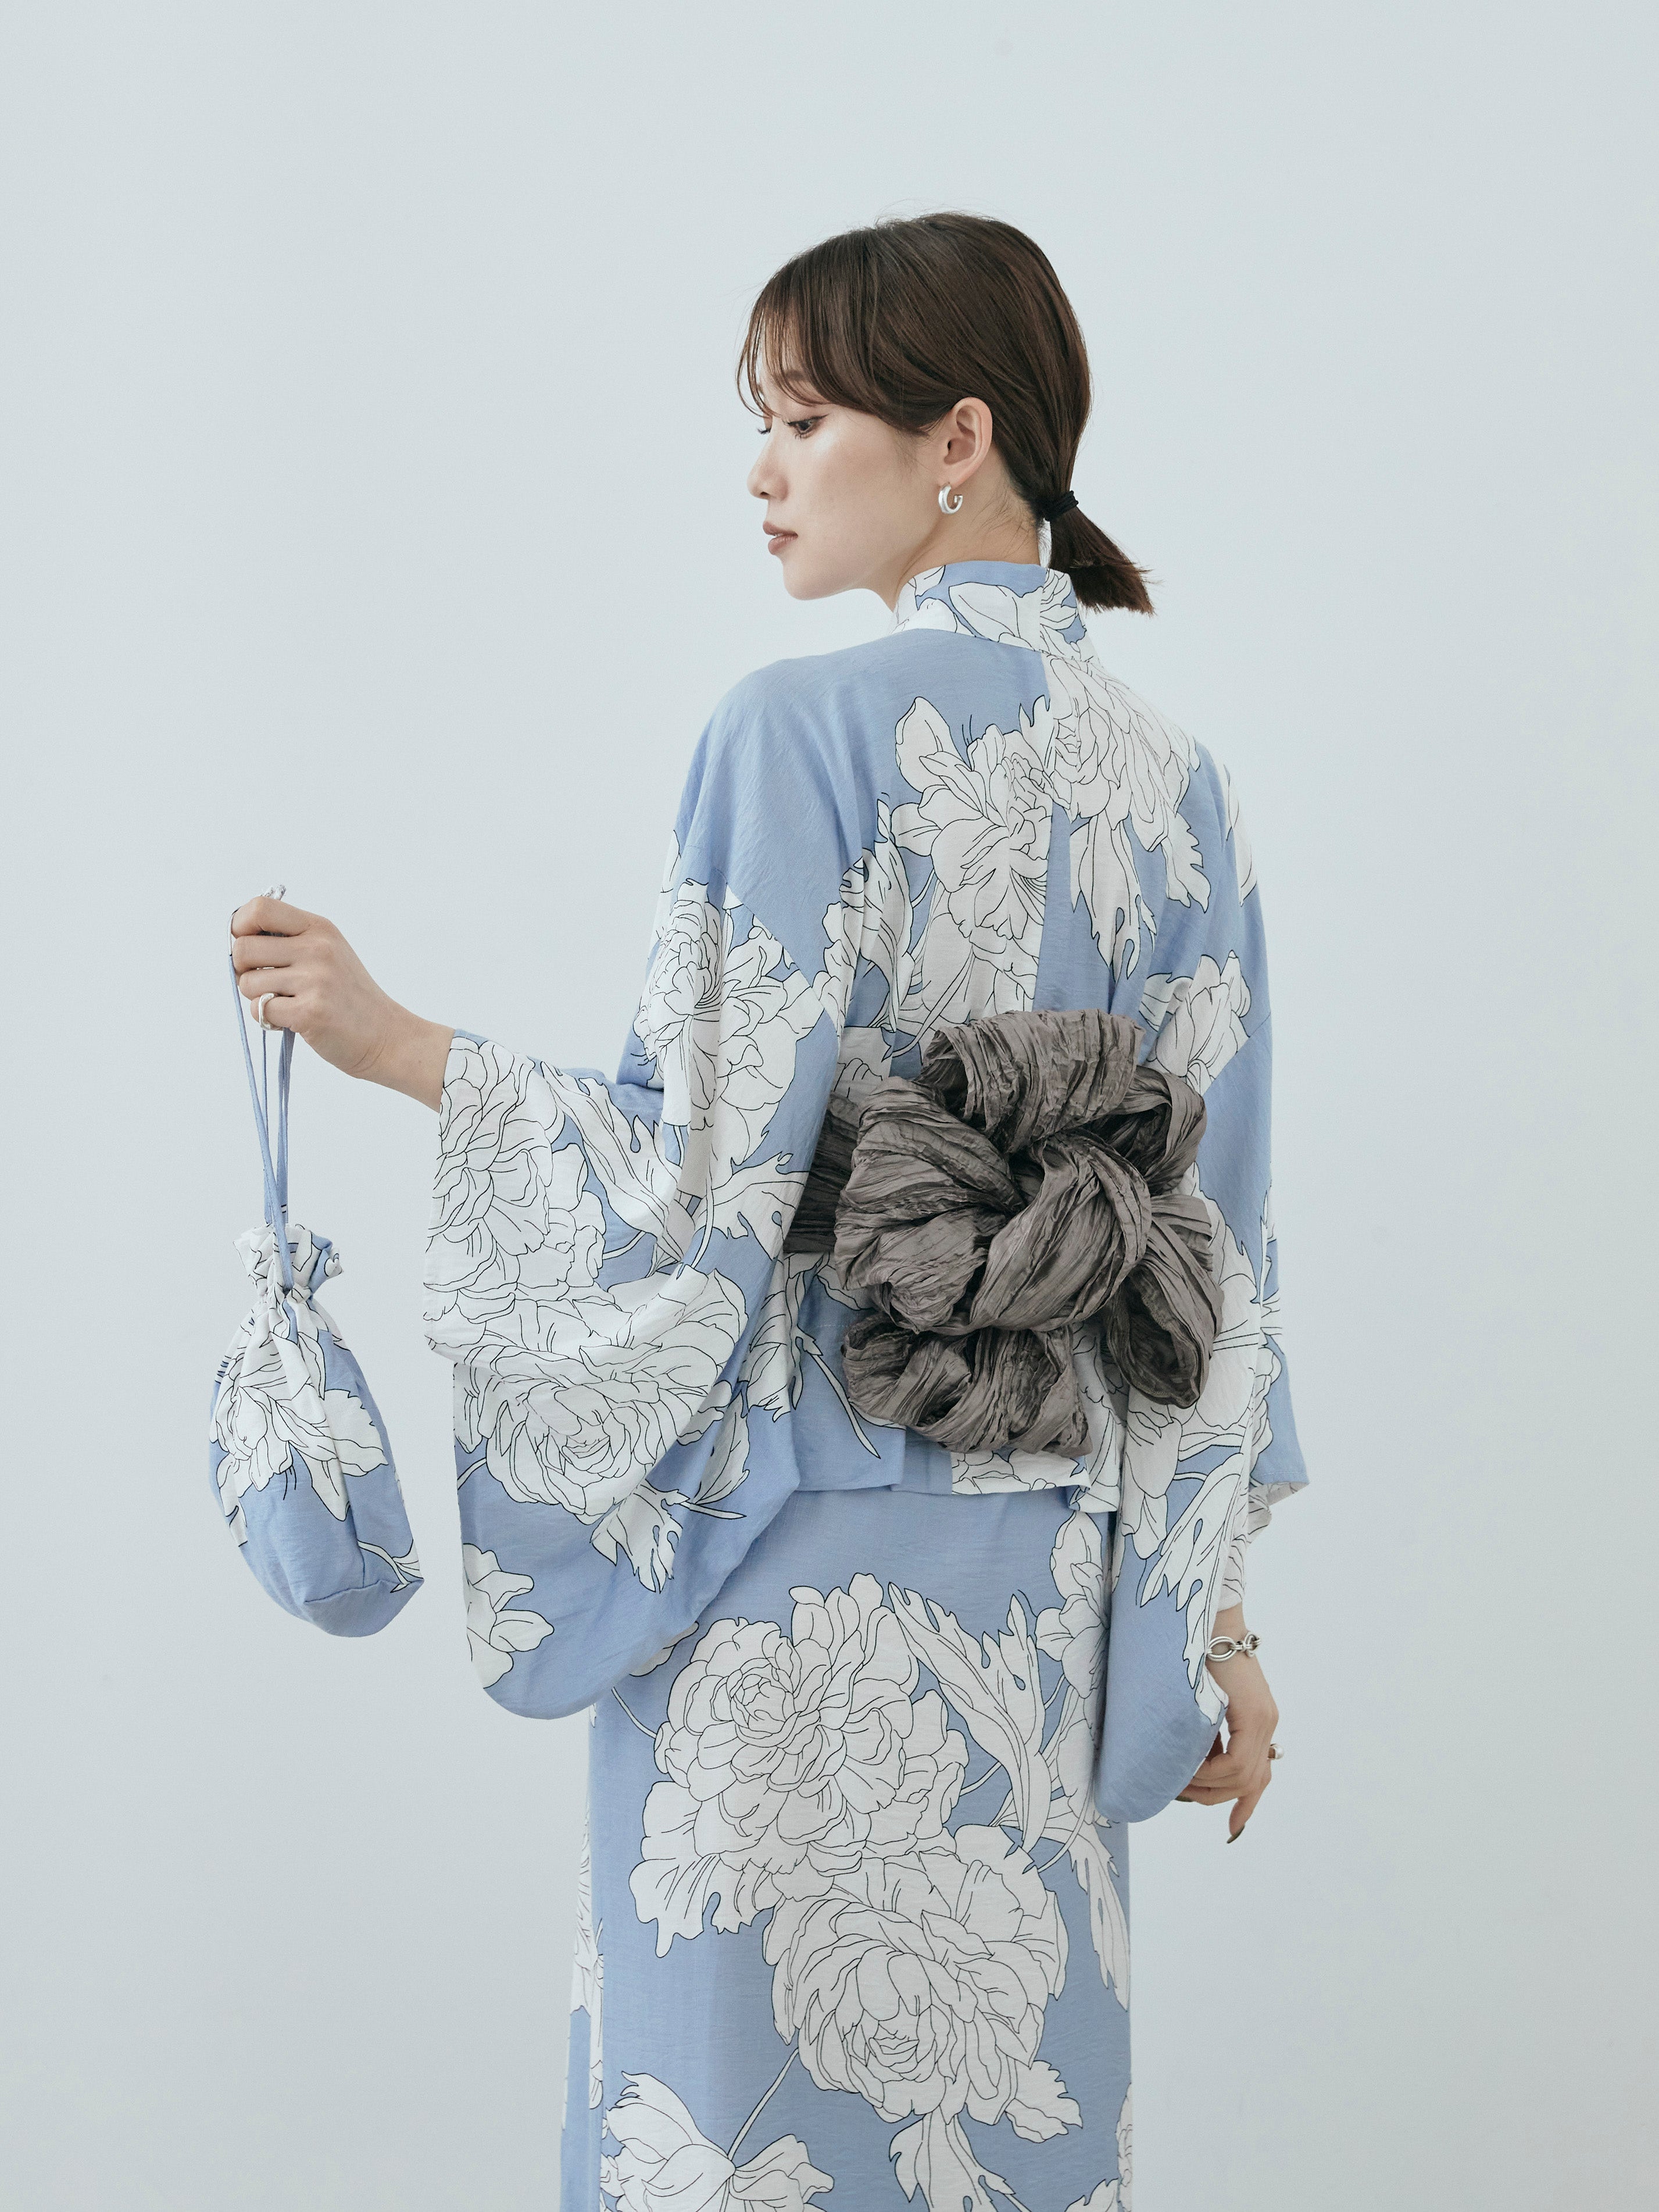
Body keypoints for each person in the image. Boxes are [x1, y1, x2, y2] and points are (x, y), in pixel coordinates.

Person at [230, 212, 1305, 2212]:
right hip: (1047, 1605)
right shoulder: (1187, 790)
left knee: (735, 2141)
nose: (762, 469)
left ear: (959, 436)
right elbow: (1215, 1258)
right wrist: (1213, 1627)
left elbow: (694, 1181)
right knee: (992, 2122)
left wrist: (394, 1045)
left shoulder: (790, 732)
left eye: (803, 421)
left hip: (786, 1584)